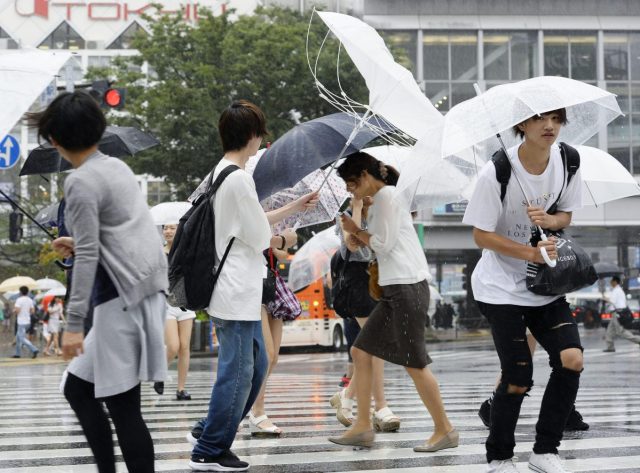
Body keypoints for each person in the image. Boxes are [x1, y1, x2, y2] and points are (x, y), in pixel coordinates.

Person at [35, 90, 168, 473]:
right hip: (140, 293)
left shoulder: (79, 182)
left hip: (119, 300)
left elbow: (92, 257)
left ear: (55, 140)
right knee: (78, 389)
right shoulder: (115, 167)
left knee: (123, 406)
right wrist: (78, 243)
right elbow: (119, 232)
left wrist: (73, 325)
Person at [189, 100, 312, 471]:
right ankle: (209, 448)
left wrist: (294, 208)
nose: (262, 139)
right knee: (240, 371)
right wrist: (284, 238)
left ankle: (209, 429)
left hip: (236, 287)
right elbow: (260, 235)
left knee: (256, 366)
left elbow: (252, 221)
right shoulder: (239, 178)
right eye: (260, 132)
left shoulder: (224, 173)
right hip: (236, 289)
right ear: (252, 136)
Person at [462, 109, 584, 473]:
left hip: (545, 284)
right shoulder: (496, 172)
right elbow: (481, 235)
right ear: (522, 125)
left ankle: (546, 450)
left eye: (556, 119)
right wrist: (530, 252)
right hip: (499, 288)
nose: (549, 126)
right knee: (517, 378)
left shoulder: (568, 161)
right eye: (539, 119)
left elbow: (567, 216)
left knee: (572, 360)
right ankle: (499, 457)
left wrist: (550, 220)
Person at [330, 152, 457, 452]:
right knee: (361, 351)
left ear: (363, 175)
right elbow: (378, 241)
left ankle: (445, 429)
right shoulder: (383, 199)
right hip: (394, 290)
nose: (352, 192)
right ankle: (362, 426)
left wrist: (354, 229)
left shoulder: (387, 196)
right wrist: (358, 228)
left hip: (406, 289)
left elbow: (382, 245)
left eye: (352, 185)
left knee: (415, 363)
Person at [329, 196, 401, 432]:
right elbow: (352, 244)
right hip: (358, 287)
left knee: (370, 351)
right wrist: (357, 206)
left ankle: (347, 398)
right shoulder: (345, 217)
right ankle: (380, 407)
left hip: (378, 283)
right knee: (376, 345)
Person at [478, 332, 589, 431]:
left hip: (550, 310)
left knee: (569, 356)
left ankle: (564, 411)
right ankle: (491, 406)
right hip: (521, 310)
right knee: (518, 363)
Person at [154, 223, 196, 401]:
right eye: (166, 228)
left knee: (185, 348)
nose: (168, 231)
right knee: (173, 346)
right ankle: (159, 374)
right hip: (166, 304)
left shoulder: (185, 252)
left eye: (172, 228)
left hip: (185, 303)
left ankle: (181, 389)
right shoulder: (158, 254)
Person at [603, 276, 640, 352]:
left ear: (615, 282)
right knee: (609, 331)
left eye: (611, 281)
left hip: (617, 313)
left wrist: (605, 298)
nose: (610, 283)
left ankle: (638, 340)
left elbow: (612, 301)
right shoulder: (619, 290)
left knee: (621, 331)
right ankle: (610, 347)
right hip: (616, 313)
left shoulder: (616, 291)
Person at [12, 286, 39, 359]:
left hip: (21, 322)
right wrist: (26, 312)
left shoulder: (19, 300)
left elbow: (17, 311)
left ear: (20, 292)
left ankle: (34, 349)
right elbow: (32, 311)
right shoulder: (30, 300)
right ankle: (17, 354)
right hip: (28, 321)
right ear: (27, 292)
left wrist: (14, 310)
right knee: (18, 337)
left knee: (21, 338)